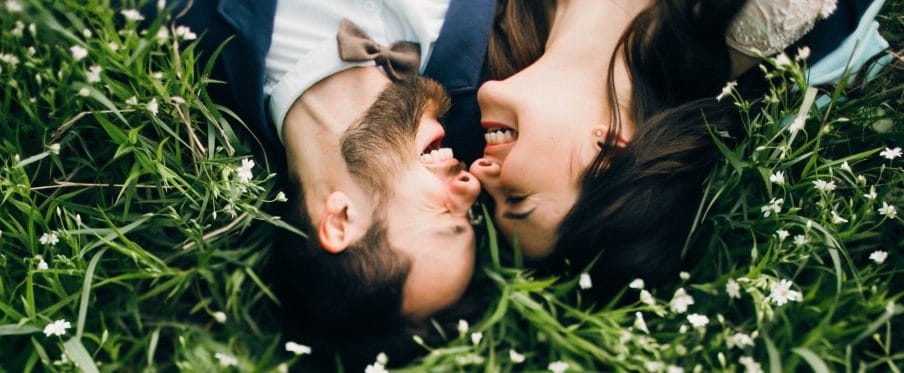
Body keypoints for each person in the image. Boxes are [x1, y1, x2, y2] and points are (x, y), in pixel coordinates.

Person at [160, 0, 497, 367]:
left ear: (341, 220)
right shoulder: (490, 82)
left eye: (445, 213)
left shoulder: (180, 30)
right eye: (471, 214)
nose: (471, 185)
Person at [468, 0, 890, 291]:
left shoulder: (485, 36)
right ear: (611, 154)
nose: (481, 176)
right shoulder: (747, 20)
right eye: (516, 197)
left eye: (494, 200)